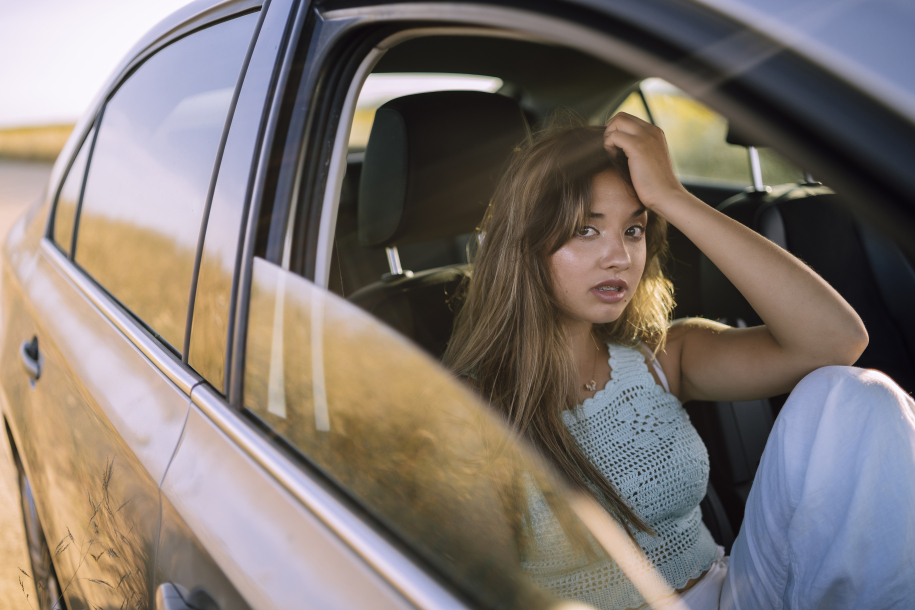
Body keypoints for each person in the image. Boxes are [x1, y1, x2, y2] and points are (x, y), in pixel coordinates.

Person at [443, 113, 915, 610]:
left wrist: (673, 196)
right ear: (525, 246)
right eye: (586, 230)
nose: (619, 257)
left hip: (735, 594)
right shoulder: (467, 412)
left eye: (633, 230)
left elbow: (836, 340)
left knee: (855, 395)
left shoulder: (663, 358)